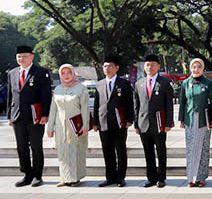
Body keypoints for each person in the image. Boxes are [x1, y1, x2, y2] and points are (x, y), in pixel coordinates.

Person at [7, 45, 52, 187]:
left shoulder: (40, 72)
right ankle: (27, 174)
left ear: (32, 57)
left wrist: (45, 114)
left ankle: (37, 175)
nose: (21, 59)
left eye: (25, 56)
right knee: (21, 146)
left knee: (36, 146)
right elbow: (10, 95)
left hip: (35, 115)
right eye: (19, 56)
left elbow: (46, 95)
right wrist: (10, 115)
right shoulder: (12, 73)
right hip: (17, 116)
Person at [92, 55, 134, 187]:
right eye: (105, 66)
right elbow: (97, 104)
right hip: (103, 122)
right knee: (107, 150)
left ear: (116, 68)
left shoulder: (124, 84)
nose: (107, 68)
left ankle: (120, 177)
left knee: (120, 150)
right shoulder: (99, 85)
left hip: (119, 121)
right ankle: (109, 177)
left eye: (110, 66)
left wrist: (129, 119)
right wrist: (95, 122)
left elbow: (129, 103)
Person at [133, 54, 174, 188]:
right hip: (143, 122)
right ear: (144, 67)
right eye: (147, 65)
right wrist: (136, 123)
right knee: (148, 152)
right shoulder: (139, 83)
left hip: (159, 123)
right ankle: (151, 178)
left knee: (161, 151)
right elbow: (136, 105)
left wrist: (168, 123)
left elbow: (169, 104)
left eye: (152, 65)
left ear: (158, 66)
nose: (149, 67)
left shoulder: (164, 82)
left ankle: (161, 178)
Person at [46, 64, 90, 187]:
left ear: (73, 73)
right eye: (63, 73)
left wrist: (85, 125)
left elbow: (85, 108)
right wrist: (50, 128)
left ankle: (75, 178)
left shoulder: (81, 88)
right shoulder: (58, 89)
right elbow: (53, 109)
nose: (66, 76)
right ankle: (65, 178)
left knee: (76, 150)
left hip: (75, 126)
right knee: (62, 151)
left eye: (68, 72)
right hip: (60, 126)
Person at [179, 58, 212, 187]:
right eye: (194, 67)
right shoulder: (185, 83)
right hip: (189, 119)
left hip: (203, 119)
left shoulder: (208, 83)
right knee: (190, 148)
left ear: (202, 68)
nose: (196, 69)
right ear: (190, 68)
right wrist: (181, 119)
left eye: (198, 67)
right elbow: (182, 102)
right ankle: (191, 177)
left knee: (204, 149)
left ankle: (201, 177)